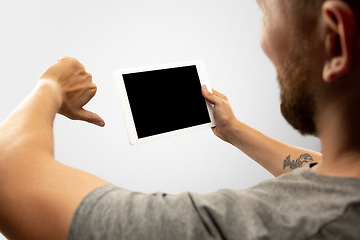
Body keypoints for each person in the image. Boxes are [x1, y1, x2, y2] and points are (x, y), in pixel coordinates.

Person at [0, 0, 359, 239]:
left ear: (336, 42)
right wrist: (234, 131)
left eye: (266, 13)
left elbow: (8, 178)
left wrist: (50, 86)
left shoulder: (255, 226)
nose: (264, 44)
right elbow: (321, 171)